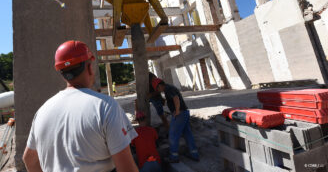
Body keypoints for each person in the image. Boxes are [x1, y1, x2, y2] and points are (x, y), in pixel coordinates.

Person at [23, 40, 139, 172]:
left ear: (62, 73)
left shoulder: (42, 111)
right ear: (89, 68)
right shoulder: (105, 106)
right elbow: (126, 168)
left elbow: (29, 159)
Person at [152, 78, 199, 163]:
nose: (159, 91)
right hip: (184, 112)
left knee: (173, 135)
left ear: (160, 86)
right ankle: (194, 154)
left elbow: (176, 98)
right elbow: (174, 98)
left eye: (157, 89)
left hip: (180, 114)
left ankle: (174, 157)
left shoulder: (168, 89)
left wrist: (177, 111)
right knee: (187, 134)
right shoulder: (169, 88)